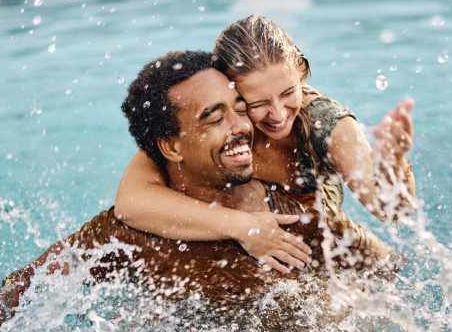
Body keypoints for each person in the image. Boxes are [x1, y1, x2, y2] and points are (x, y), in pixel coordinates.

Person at [0, 50, 393, 332]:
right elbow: (20, 293)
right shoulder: (130, 234)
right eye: (214, 118)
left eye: (240, 108)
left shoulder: (290, 220)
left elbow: (387, 272)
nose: (241, 127)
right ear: (171, 147)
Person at [113, 15, 416, 274]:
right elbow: (131, 203)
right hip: (249, 230)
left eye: (288, 93)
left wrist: (395, 163)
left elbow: (390, 211)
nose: (279, 114)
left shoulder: (328, 125)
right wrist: (242, 227)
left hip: (321, 232)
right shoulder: (222, 124)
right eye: (257, 103)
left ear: (301, 71)